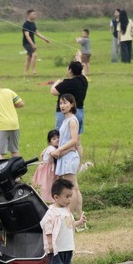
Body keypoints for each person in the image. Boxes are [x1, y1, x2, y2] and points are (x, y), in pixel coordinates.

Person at [46, 92, 86, 229]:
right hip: (65, 156)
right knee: (75, 187)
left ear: (72, 104)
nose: (62, 106)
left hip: (69, 158)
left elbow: (74, 140)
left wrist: (59, 150)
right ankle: (80, 218)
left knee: (72, 187)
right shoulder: (65, 120)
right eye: (61, 103)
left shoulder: (72, 120)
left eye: (65, 103)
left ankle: (70, 218)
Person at [40, 178, 79, 264]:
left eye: (70, 196)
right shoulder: (52, 212)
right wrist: (50, 243)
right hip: (57, 247)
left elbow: (70, 224)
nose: (69, 199)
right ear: (56, 197)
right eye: (67, 196)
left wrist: (79, 222)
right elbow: (47, 226)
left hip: (67, 245)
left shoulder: (66, 211)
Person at [21, 9, 39, 75]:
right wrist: (33, 44)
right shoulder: (26, 24)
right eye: (33, 14)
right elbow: (27, 36)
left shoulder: (33, 24)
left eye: (35, 14)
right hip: (26, 43)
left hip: (31, 43)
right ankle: (33, 70)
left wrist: (45, 39)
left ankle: (25, 72)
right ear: (28, 15)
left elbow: (37, 33)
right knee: (34, 54)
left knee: (29, 57)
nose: (35, 16)